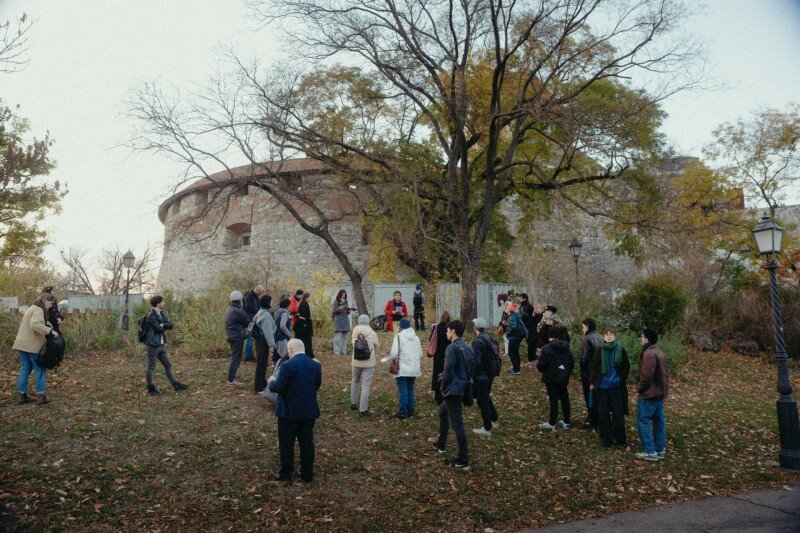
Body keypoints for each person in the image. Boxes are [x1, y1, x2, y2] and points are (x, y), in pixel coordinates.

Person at [268, 339, 322, 482]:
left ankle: (286, 473)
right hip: (308, 409)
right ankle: (307, 473)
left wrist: (271, 382)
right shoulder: (316, 365)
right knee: (307, 443)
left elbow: (278, 387)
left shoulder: (287, 366)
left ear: (290, 350)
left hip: (288, 411)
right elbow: (317, 385)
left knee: (286, 443)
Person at [434, 320, 474, 470]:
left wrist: (443, 386)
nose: (446, 333)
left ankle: (463, 459)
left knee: (457, 425)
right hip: (462, 387)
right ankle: (441, 444)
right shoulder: (467, 347)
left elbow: (449, 369)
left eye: (447, 330)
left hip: (453, 391)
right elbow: (471, 367)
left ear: (453, 331)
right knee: (442, 411)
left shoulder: (451, 348)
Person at [13, 292, 59, 405]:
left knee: (25, 368)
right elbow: (35, 324)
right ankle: (41, 396)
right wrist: (50, 331)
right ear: (45, 301)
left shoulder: (32, 308)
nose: (51, 306)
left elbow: (33, 322)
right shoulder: (39, 310)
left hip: (22, 344)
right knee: (40, 369)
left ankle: (21, 395)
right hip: (32, 345)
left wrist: (45, 324)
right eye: (50, 303)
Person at [590, 328, 630, 446]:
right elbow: (595, 367)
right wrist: (592, 382)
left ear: (615, 336)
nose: (609, 336)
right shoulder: (600, 349)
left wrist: (619, 379)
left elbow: (626, 367)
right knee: (603, 413)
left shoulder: (620, 349)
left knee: (618, 414)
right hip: (602, 386)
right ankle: (606, 439)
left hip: (616, 387)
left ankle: (620, 440)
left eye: (611, 334)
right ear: (603, 337)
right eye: (607, 335)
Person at [635, 328, 669, 461]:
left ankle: (650, 451)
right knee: (659, 422)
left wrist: (639, 388)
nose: (641, 338)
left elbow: (646, 376)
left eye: (642, 336)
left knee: (643, 421)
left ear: (647, 339)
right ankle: (660, 450)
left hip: (650, 394)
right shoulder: (659, 352)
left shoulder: (649, 354)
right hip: (660, 393)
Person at [144, 295, 188, 396]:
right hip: (153, 345)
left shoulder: (161, 313)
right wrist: (163, 325)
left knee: (167, 365)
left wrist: (163, 325)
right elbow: (157, 329)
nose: (164, 303)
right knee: (151, 367)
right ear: (158, 304)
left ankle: (175, 384)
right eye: (163, 302)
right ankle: (151, 388)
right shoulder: (151, 315)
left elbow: (170, 325)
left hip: (161, 344)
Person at [537, 326, 574, 430]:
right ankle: (566, 421)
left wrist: (545, 371)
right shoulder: (566, 347)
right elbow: (571, 363)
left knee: (553, 400)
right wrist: (566, 373)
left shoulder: (547, 348)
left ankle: (552, 422)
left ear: (550, 337)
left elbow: (541, 365)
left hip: (550, 378)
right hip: (563, 378)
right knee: (564, 398)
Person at [470, 318, 499, 436]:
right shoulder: (489, 338)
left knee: (483, 401)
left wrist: (472, 374)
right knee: (485, 396)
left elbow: (476, 361)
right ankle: (494, 419)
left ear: (476, 327)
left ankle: (487, 428)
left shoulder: (477, 341)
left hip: (481, 376)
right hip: (490, 374)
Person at [389, 318, 422, 419]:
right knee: (410, 389)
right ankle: (410, 411)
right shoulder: (416, 338)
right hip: (414, 368)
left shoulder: (398, 337)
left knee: (403, 390)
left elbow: (394, 354)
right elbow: (420, 354)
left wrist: (391, 358)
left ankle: (402, 412)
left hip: (403, 368)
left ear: (400, 327)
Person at [350, 314, 379, 416]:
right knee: (365, 385)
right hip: (369, 362)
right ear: (368, 321)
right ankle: (363, 410)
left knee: (355, 381)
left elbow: (353, 344)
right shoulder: (372, 332)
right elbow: (377, 345)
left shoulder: (354, 331)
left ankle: (353, 403)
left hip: (356, 361)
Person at [580, 318, 603, 428]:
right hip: (598, 372)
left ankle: (592, 419)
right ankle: (598, 417)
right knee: (597, 395)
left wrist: (582, 370)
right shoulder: (599, 336)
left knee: (589, 395)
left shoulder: (587, 339)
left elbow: (583, 358)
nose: (582, 329)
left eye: (583, 326)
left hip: (588, 372)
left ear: (587, 326)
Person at [225, 290, 251, 386]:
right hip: (237, 337)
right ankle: (231, 379)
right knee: (236, 358)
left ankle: (232, 375)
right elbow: (247, 322)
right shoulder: (238, 311)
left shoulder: (229, 309)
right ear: (239, 300)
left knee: (234, 357)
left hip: (230, 336)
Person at [253, 295, 277, 393]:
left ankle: (262, 383)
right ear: (267, 302)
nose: (272, 303)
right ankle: (259, 387)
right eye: (271, 301)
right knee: (262, 364)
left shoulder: (260, 311)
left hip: (259, 341)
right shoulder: (266, 315)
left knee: (261, 362)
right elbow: (268, 331)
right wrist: (272, 345)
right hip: (263, 341)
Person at [430, 311, 451, 404]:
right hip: (448, 353)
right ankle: (446, 394)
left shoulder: (437, 327)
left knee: (438, 374)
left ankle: (438, 396)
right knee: (446, 373)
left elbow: (431, 339)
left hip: (438, 354)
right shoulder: (451, 328)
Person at [242, 285, 265, 362]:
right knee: (250, 337)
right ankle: (248, 356)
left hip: (253, 319)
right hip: (250, 320)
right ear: (257, 291)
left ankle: (249, 354)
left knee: (252, 337)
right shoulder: (249, 296)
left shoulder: (255, 296)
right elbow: (248, 307)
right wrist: (258, 311)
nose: (260, 294)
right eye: (260, 293)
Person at [505, 301, 526, 375]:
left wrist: (508, 333)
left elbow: (513, 327)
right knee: (515, 352)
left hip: (514, 337)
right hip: (518, 336)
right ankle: (516, 368)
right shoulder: (517, 315)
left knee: (512, 353)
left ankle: (516, 370)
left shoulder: (512, 316)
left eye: (506, 307)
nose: (505, 308)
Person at [293, 292, 314, 359]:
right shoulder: (304, 304)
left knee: (301, 339)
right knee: (306, 340)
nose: (310, 299)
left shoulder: (301, 303)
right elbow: (305, 314)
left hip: (301, 324)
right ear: (307, 297)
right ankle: (307, 354)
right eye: (309, 298)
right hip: (304, 325)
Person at [332, 289, 352, 356]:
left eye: (345, 295)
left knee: (345, 337)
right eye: (342, 295)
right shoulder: (336, 301)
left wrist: (348, 311)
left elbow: (347, 312)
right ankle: (337, 351)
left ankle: (343, 351)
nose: (344, 296)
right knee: (337, 337)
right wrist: (339, 308)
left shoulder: (346, 301)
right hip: (338, 321)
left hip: (345, 320)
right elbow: (334, 312)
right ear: (340, 294)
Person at [273, 298, 292, 364]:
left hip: (277, 334)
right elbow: (282, 326)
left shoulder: (278, 311)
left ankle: (275, 366)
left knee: (277, 353)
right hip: (282, 337)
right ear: (287, 305)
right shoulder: (284, 313)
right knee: (282, 355)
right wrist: (289, 333)